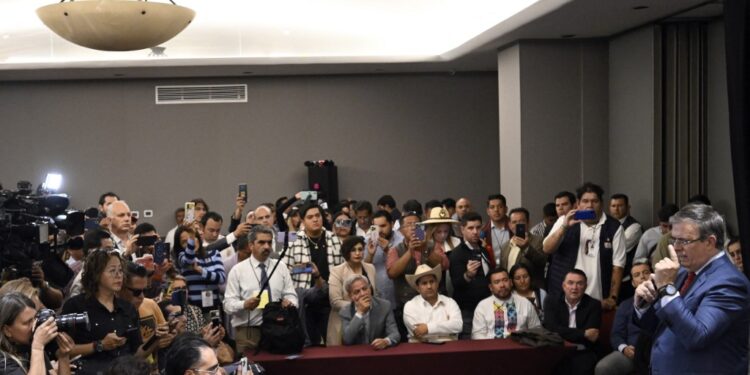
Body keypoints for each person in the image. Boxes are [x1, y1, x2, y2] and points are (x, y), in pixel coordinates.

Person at [634, 204, 750, 374]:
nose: (676, 247)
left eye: (684, 241)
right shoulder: (682, 272)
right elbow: (661, 326)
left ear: (709, 242)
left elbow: (697, 336)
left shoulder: (729, 282)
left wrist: (666, 288)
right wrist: (643, 304)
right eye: (674, 239)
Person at [61, 249, 148, 375]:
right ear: (96, 274)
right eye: (112, 270)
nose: (118, 275)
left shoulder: (128, 308)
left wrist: (156, 339)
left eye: (120, 270)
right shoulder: (75, 306)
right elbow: (61, 351)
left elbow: (137, 352)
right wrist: (99, 345)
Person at [543, 182, 625, 311]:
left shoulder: (614, 227)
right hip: (564, 296)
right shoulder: (564, 220)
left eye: (594, 201)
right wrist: (564, 227)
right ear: (578, 203)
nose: (589, 206)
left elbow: (618, 266)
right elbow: (547, 249)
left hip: (597, 298)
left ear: (602, 204)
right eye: (585, 201)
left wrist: (612, 297)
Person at [224, 225, 297, 353]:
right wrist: (244, 304)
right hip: (249, 331)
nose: (267, 246)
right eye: (261, 242)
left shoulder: (281, 267)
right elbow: (228, 305)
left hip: (278, 330)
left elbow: (291, 294)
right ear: (251, 245)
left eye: (269, 242)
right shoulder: (238, 271)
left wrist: (290, 303)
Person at [284, 202, 343, 346]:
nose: (315, 219)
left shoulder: (333, 238)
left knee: (332, 344)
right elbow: (285, 270)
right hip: (305, 300)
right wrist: (303, 269)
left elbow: (342, 267)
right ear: (303, 221)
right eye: (310, 217)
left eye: (318, 216)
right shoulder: (292, 239)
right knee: (308, 345)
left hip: (329, 298)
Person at [386, 211, 448, 340]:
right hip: (406, 305)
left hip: (434, 304)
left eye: (417, 224)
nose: (413, 227)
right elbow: (392, 273)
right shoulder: (395, 249)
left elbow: (444, 265)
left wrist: (424, 247)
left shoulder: (431, 245)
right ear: (401, 230)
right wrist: (410, 252)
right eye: (409, 224)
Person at [594, 259, 651, 375]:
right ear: (633, 283)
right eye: (637, 275)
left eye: (646, 272)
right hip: (632, 352)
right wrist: (624, 348)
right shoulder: (625, 305)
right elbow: (616, 334)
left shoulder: (665, 301)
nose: (642, 277)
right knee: (603, 368)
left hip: (657, 352)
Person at [0, 292, 74, 375]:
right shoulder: (3, 361)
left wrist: (63, 357)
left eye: (35, 319)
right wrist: (38, 347)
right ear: (7, 330)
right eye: (27, 322)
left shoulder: (31, 346)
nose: (35, 326)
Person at [543, 269, 601, 375]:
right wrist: (583, 333)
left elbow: (592, 337)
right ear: (564, 286)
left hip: (583, 352)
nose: (574, 288)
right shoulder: (551, 301)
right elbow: (551, 329)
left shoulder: (594, 305)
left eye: (579, 283)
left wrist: (562, 331)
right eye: (570, 283)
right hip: (557, 350)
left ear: (585, 286)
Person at [449, 211, 494, 339]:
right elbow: (456, 284)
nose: (475, 231)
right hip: (467, 310)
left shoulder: (484, 249)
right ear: (462, 230)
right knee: (467, 347)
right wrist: (468, 275)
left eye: (478, 227)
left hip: (486, 307)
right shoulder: (457, 254)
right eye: (470, 228)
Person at [327, 236, 376, 346]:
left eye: (360, 249)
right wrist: (360, 306)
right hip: (344, 321)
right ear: (346, 252)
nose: (358, 253)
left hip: (369, 321)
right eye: (353, 250)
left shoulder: (370, 268)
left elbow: (375, 295)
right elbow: (335, 302)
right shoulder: (337, 271)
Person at [472, 268, 541, 339]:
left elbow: (537, 329)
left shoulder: (525, 303)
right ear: (490, 287)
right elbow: (477, 335)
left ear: (511, 282)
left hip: (520, 347)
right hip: (492, 348)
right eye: (497, 282)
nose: (502, 285)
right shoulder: (482, 306)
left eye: (505, 280)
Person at [403, 264, 462, 342]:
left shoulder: (450, 302)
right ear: (417, 288)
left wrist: (428, 328)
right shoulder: (410, 306)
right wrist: (447, 329)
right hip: (421, 349)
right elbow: (418, 332)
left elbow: (458, 326)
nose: (429, 286)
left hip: (449, 348)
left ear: (437, 283)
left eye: (432, 282)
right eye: (424, 283)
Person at [339, 275, 400, 349]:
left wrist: (386, 341)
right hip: (356, 354)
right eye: (357, 292)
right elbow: (347, 340)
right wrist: (360, 313)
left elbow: (395, 334)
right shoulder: (345, 311)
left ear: (370, 288)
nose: (363, 294)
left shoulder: (385, 306)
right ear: (350, 296)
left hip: (378, 352)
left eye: (365, 289)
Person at [499, 207, 546, 290]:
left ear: (528, 223)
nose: (517, 225)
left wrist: (526, 247)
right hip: (511, 291)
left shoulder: (538, 240)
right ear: (509, 225)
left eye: (521, 221)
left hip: (531, 290)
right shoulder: (505, 246)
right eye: (514, 222)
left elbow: (542, 262)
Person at [364, 210, 403, 307]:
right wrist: (370, 254)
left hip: (397, 297)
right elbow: (364, 268)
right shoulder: (368, 241)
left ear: (392, 224)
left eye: (383, 226)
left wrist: (388, 250)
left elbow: (403, 267)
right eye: (376, 227)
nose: (380, 231)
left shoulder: (401, 241)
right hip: (376, 298)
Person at [482, 194, 511, 263]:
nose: (496, 210)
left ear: (506, 209)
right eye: (492, 207)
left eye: (500, 207)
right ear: (488, 211)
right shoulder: (484, 231)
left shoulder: (514, 228)